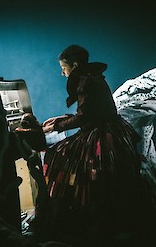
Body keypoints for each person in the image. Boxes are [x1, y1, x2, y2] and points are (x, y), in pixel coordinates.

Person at [37, 45, 155, 246]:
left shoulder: (85, 81)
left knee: (58, 155)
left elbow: (86, 116)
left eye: (64, 67)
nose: (62, 72)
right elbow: (92, 110)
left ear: (74, 65)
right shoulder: (93, 77)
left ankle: (73, 216)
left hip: (103, 135)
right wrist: (62, 119)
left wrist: (55, 127)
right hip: (112, 130)